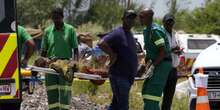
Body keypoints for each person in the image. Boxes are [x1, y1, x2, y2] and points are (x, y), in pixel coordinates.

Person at [98, 10, 138, 110]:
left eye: (133, 18)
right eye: (129, 17)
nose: (131, 20)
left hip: (126, 77)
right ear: (123, 19)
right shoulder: (118, 33)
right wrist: (112, 54)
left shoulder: (129, 34)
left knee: (115, 105)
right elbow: (101, 43)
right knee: (123, 106)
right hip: (119, 76)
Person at [40, 7, 78, 110]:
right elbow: (43, 50)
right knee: (52, 93)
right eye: (54, 18)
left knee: (65, 93)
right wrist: (41, 62)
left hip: (65, 65)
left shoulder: (70, 30)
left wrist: (75, 63)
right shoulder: (48, 31)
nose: (56, 21)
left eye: (58, 18)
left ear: (62, 17)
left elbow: (75, 49)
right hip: (50, 65)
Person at [139, 8, 172, 110]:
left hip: (162, 64)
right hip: (155, 63)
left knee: (151, 95)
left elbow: (162, 52)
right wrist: (144, 66)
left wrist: (152, 66)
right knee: (145, 91)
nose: (139, 19)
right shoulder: (146, 31)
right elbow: (149, 52)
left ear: (149, 18)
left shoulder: (155, 31)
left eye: (142, 17)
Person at [161, 13, 181, 110]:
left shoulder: (175, 33)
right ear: (163, 22)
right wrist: (172, 50)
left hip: (173, 69)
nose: (170, 24)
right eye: (168, 21)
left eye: (171, 21)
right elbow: (160, 51)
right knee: (157, 94)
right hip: (163, 68)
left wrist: (179, 50)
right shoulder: (160, 33)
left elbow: (180, 46)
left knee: (169, 96)